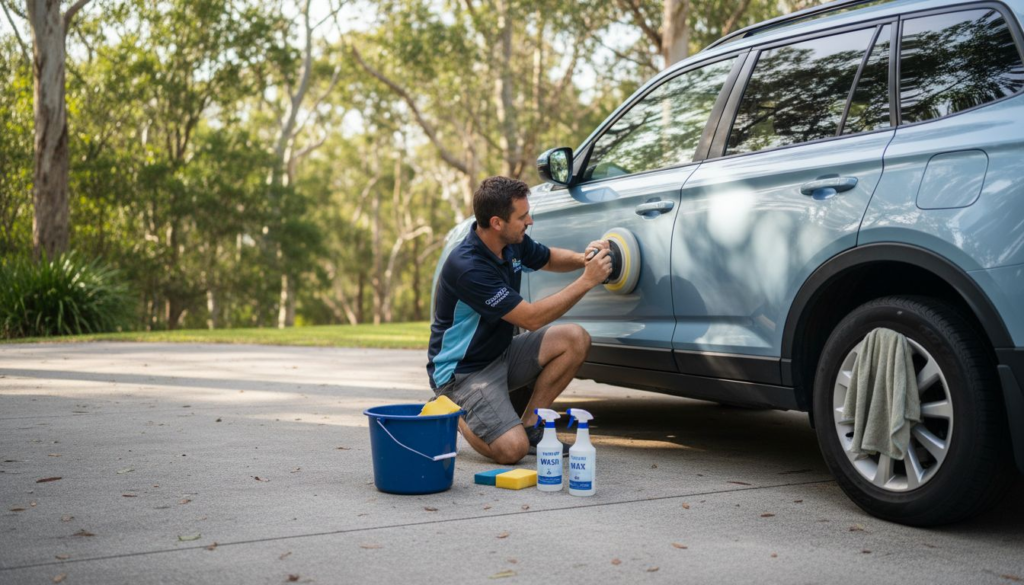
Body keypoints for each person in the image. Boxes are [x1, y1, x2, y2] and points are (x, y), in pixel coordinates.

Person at [427, 176, 613, 465]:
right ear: (497, 223)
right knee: (512, 450)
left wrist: (583, 259)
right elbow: (532, 317)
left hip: (502, 354)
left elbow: (549, 258)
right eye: (522, 216)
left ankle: (530, 425)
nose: (530, 221)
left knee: (575, 338)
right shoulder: (468, 266)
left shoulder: (513, 243)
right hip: (464, 374)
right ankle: (452, 411)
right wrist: (588, 281)